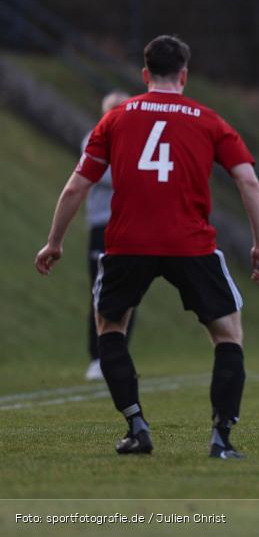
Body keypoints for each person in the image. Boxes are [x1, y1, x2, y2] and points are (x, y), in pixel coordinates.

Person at [35, 35, 259, 458]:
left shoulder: (114, 119)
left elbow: (77, 185)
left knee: (110, 329)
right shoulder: (208, 119)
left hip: (128, 243)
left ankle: (137, 426)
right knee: (228, 335)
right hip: (191, 243)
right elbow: (248, 180)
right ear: (184, 74)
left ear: (145, 75)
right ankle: (221, 438)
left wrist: (54, 241)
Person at [83, 91, 134, 381]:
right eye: (113, 110)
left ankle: (119, 353)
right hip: (103, 225)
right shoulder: (94, 138)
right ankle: (96, 356)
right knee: (99, 293)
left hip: (131, 225)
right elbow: (98, 174)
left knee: (130, 293)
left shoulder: (139, 141)